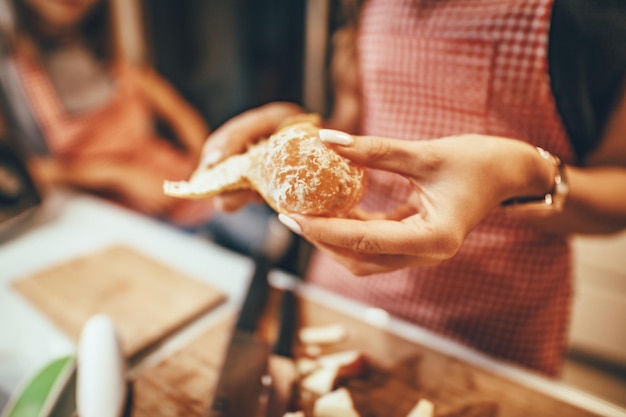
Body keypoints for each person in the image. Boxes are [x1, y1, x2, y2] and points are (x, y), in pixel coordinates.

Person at [199, 0, 626, 377]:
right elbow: (353, 124)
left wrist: (525, 173)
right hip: (345, 296)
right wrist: (293, 135)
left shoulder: (591, 16)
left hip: (491, 331)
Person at [0, 0, 214, 228]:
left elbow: (181, 114)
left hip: (186, 187)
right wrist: (117, 176)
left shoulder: (116, 64)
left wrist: (209, 165)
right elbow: (25, 170)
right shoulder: (16, 79)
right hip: (115, 215)